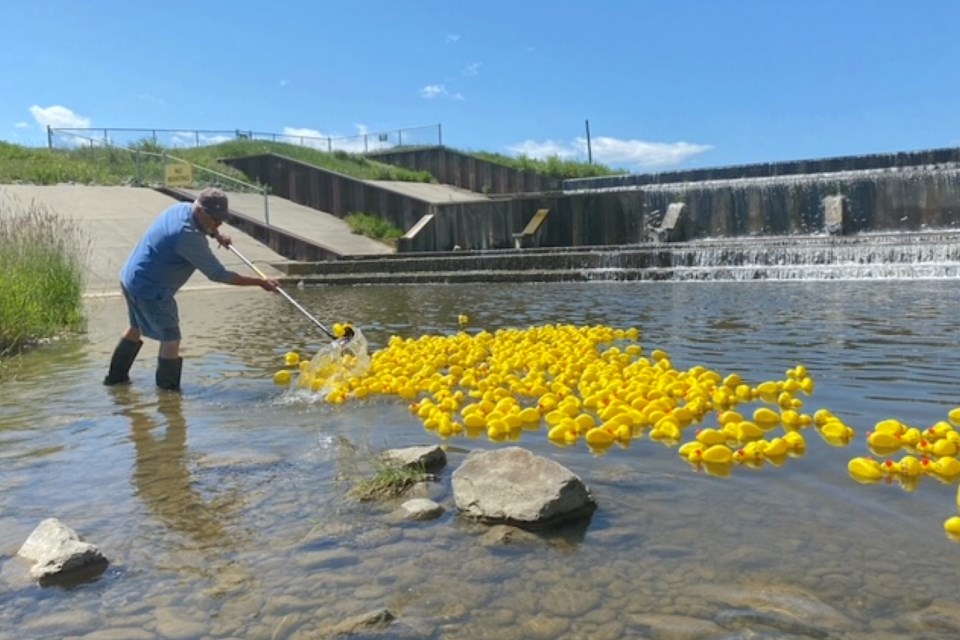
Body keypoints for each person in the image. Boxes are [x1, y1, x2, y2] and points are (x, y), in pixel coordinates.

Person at [104, 187, 278, 391]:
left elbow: (205, 227)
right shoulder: (187, 236)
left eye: (221, 219)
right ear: (200, 211)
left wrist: (216, 234)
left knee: (136, 327)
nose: (218, 223)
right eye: (215, 219)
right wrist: (260, 282)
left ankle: (115, 381)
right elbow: (218, 274)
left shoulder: (182, 208)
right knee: (171, 338)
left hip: (131, 278)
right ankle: (168, 396)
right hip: (151, 289)